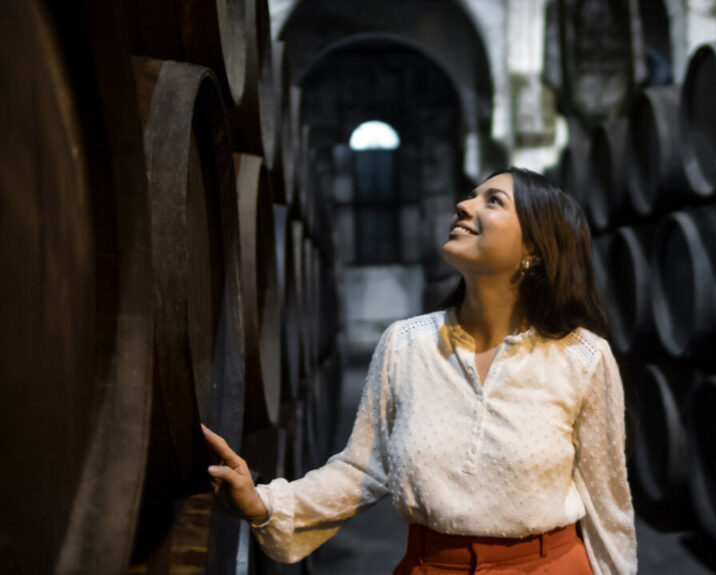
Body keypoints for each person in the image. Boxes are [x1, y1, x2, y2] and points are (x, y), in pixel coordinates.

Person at [203, 167, 638, 574]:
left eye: (493, 201)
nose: (464, 205)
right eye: (471, 196)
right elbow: (361, 469)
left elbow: (608, 507)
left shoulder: (582, 357)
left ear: (534, 251)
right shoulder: (406, 344)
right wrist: (263, 503)